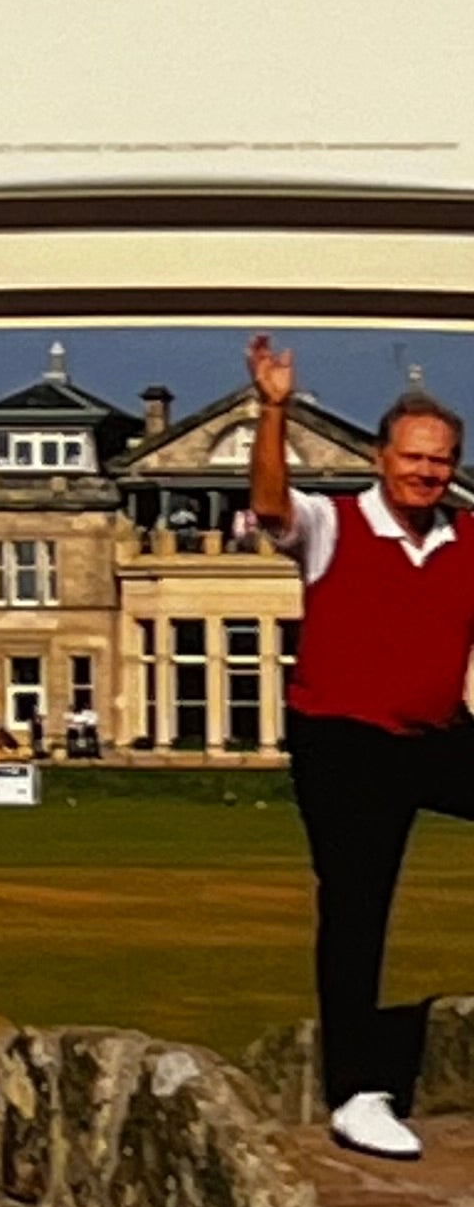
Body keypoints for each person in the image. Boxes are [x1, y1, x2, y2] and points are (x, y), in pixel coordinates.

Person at [250, 333, 474, 1159]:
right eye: (414, 458)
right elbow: (272, 506)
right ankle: (357, 1092)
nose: (427, 473)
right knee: (356, 901)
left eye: (442, 462)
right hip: (343, 739)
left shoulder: (467, 541)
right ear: (382, 458)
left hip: (435, 734)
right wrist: (274, 410)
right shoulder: (332, 525)